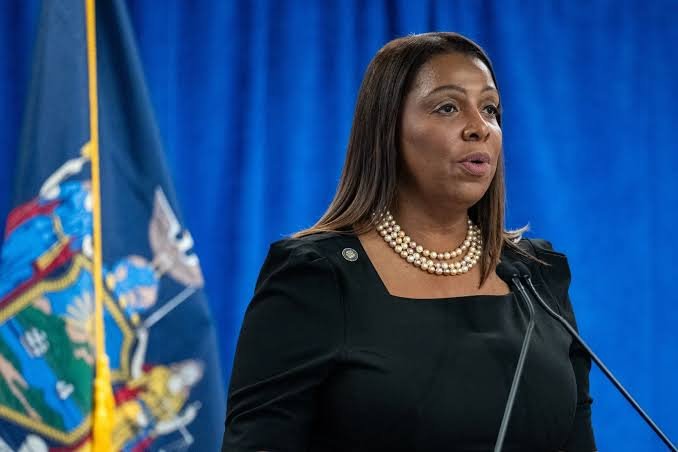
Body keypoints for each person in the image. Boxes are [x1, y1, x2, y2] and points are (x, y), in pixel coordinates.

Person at [221, 32, 596, 452]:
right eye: (448, 107)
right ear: (387, 129)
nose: (479, 127)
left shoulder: (537, 276)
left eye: (490, 109)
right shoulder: (316, 277)